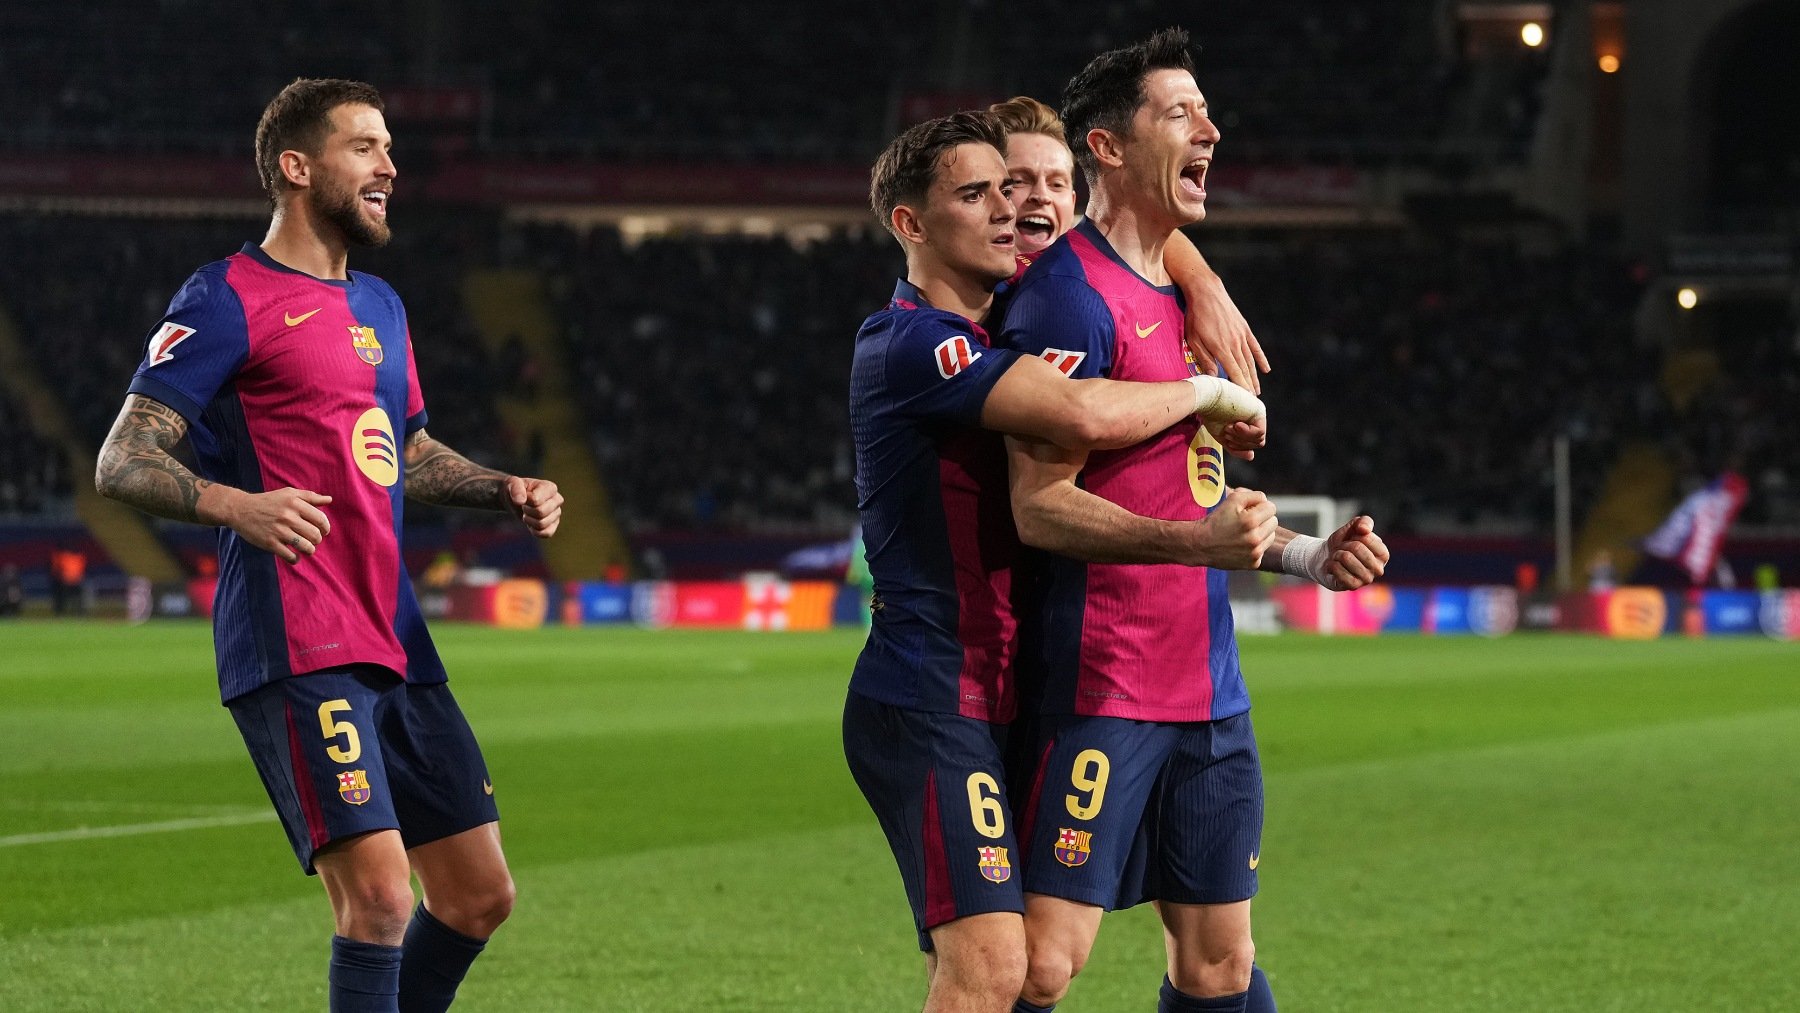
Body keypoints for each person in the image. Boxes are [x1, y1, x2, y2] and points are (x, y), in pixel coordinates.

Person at [94, 78, 563, 1013]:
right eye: (365, 147)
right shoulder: (226, 295)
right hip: (297, 635)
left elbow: (410, 449)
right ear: (296, 168)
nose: (390, 166)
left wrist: (499, 488)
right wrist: (237, 504)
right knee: (382, 898)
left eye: (390, 148)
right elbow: (123, 456)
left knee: (477, 895)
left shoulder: (382, 304)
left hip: (394, 634)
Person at [998, 31, 1391, 1013]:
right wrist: (1193, 543)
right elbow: (1039, 509)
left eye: (1207, 111)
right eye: (1180, 113)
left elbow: (1198, 490)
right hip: (1101, 684)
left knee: (1217, 963)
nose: (1211, 129)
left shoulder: (1184, 299)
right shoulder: (1061, 303)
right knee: (1042, 964)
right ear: (1108, 147)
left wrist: (1305, 555)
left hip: (1209, 691)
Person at [844, 109, 1271, 1013]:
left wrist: (1199, 275)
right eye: (978, 196)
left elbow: (1108, 242)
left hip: (1009, 686)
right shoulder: (914, 340)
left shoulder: (1012, 312)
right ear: (911, 225)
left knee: (1009, 967)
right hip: (932, 690)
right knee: (1000, 967)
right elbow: (1077, 415)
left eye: (1011, 191)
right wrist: (1204, 387)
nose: (1009, 211)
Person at [988, 95, 1269, 396]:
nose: (1041, 195)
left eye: (1057, 183)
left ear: (1071, 204)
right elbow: (1073, 420)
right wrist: (1200, 396)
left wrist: (1204, 284)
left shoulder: (1090, 280)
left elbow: (1138, 230)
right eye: (1018, 181)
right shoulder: (950, 296)